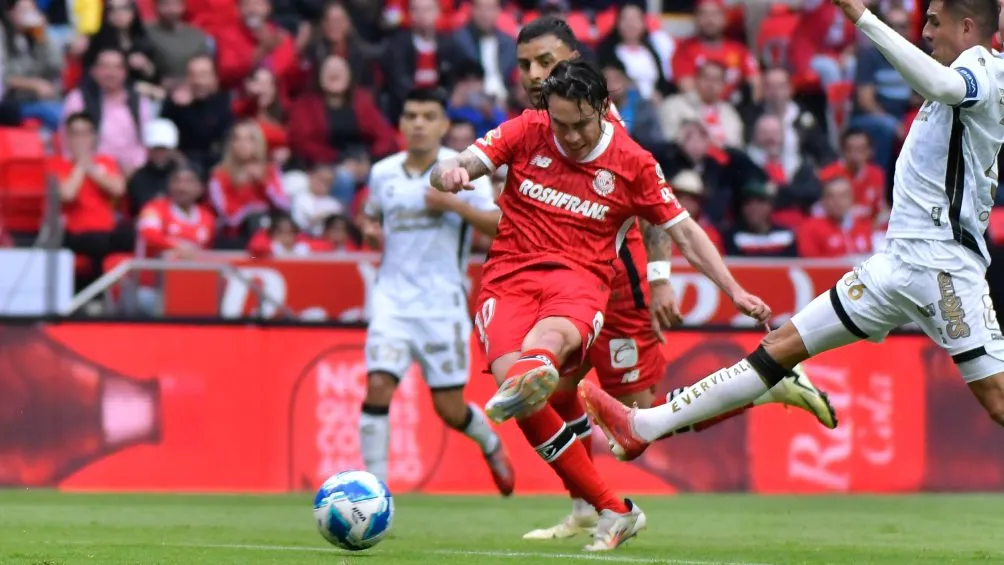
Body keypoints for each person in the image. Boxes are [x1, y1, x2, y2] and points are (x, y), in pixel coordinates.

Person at [579, 0, 1004, 461]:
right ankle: (642, 426)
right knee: (779, 347)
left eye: (934, 22)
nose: (926, 32)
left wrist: (861, 16)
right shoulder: (959, 79)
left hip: (943, 266)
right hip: (896, 264)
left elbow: (940, 84)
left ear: (967, 27)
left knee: (998, 401)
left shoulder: (983, 68)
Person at [506, 17, 836, 542]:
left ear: (574, 60)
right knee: (551, 388)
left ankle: (765, 387)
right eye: (525, 64)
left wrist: (659, 277)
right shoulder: (539, 124)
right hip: (568, 282)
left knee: (637, 423)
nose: (533, 74)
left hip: (617, 286)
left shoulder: (599, 125)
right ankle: (588, 505)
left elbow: (650, 206)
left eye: (546, 62)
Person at [432, 58, 771, 551]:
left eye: (581, 125)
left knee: (550, 357)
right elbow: (465, 161)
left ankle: (539, 365)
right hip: (507, 278)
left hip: (579, 279)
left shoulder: (633, 162)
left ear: (603, 108)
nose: (570, 137)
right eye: (561, 125)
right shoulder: (528, 128)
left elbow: (684, 232)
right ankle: (614, 509)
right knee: (522, 397)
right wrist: (451, 172)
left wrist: (733, 289)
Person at [356, 88, 515, 498]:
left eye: (429, 116)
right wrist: (369, 229)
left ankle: (489, 443)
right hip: (391, 303)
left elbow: (501, 225)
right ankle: (374, 493)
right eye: (411, 116)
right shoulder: (383, 173)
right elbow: (370, 215)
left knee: (448, 408)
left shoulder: (462, 171)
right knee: (378, 385)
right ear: (401, 124)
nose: (419, 124)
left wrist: (455, 206)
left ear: (444, 125)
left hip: (442, 306)